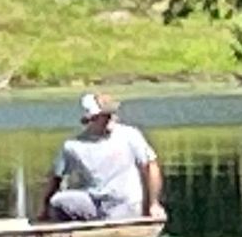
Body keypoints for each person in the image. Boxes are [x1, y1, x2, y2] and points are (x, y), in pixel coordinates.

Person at [40, 92, 164, 223]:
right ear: (90, 119)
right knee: (57, 202)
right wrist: (44, 208)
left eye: (112, 114)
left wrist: (153, 204)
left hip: (124, 203)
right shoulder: (73, 146)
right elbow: (56, 177)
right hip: (93, 200)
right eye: (105, 116)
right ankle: (72, 234)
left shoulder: (130, 135)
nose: (111, 119)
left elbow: (151, 166)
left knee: (114, 218)